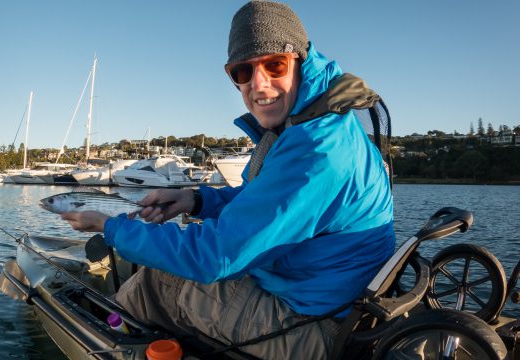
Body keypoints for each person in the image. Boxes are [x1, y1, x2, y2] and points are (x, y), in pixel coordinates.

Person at [61, 1, 395, 358]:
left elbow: (216, 256)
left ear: (299, 60)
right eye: (243, 71)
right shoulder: (312, 123)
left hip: (319, 328)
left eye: (275, 64)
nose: (259, 84)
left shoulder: (317, 152)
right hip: (324, 297)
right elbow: (262, 201)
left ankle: (102, 343)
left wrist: (111, 227)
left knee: (159, 282)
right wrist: (198, 201)